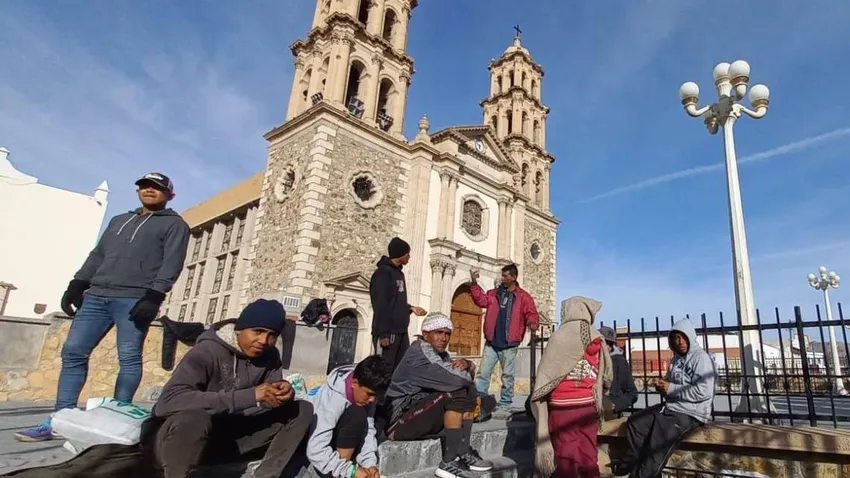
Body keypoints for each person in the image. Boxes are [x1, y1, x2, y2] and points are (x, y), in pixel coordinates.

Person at [15, 172, 190, 442]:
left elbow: (172, 262)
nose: (149, 190)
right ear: (138, 191)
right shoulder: (119, 221)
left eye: (156, 187)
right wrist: (77, 283)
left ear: (170, 195)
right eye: (144, 186)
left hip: (135, 298)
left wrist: (155, 295)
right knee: (73, 352)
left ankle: (115, 421)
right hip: (96, 296)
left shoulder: (175, 225)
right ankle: (60, 419)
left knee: (128, 357)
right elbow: (97, 254)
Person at [142, 299, 313, 478]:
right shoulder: (207, 351)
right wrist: (250, 395)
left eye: (272, 335)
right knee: (195, 418)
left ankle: (266, 475)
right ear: (239, 330)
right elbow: (168, 402)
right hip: (176, 443)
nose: (263, 341)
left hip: (225, 439)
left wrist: (282, 394)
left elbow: (265, 403)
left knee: (302, 409)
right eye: (257, 331)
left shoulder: (270, 356)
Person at [385, 313, 493, 478]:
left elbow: (460, 378)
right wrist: (470, 366)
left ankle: (463, 452)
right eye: (438, 332)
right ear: (425, 334)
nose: (444, 338)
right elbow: (459, 379)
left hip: (418, 415)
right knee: (457, 391)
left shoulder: (440, 354)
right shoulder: (420, 353)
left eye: (447, 333)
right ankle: (449, 462)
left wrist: (466, 365)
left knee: (467, 391)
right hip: (398, 424)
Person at [610, 318, 716, 478]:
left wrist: (670, 388)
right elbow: (670, 384)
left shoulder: (700, 358)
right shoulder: (676, 360)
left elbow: (704, 391)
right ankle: (632, 463)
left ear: (690, 336)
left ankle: (642, 473)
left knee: (656, 447)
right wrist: (662, 386)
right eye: (676, 338)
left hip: (690, 413)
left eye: (683, 337)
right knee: (635, 424)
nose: (680, 342)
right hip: (671, 407)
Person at [530, 297, 613, 478]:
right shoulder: (596, 336)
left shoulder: (559, 336)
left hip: (563, 408)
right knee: (588, 455)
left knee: (566, 459)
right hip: (588, 407)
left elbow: (546, 372)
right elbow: (607, 373)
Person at [303, 356, 393, 478]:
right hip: (310, 442)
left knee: (378, 416)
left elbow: (368, 430)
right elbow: (315, 450)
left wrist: (369, 464)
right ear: (354, 383)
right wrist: (350, 471)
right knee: (357, 414)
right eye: (369, 394)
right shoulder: (332, 400)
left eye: (376, 396)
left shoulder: (367, 395)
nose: (372, 400)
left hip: (335, 438)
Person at [469, 264, 540, 419]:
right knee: (483, 374)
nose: (502, 278)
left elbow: (531, 313)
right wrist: (474, 283)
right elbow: (481, 300)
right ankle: (478, 403)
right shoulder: (493, 294)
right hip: (492, 342)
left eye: (505, 276)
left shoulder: (523, 297)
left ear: (514, 277)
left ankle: (505, 404)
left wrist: (533, 323)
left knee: (507, 376)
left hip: (509, 344)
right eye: (502, 275)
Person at [369, 237, 427, 372]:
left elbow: (396, 301)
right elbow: (381, 304)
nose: (409, 257)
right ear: (400, 254)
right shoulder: (383, 274)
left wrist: (411, 308)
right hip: (389, 332)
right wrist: (383, 333)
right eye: (407, 254)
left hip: (401, 330)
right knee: (385, 369)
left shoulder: (399, 274)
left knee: (400, 369)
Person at [598, 326, 638, 419]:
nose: (606, 346)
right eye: (603, 342)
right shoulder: (590, 360)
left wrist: (616, 405)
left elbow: (632, 393)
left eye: (610, 343)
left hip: (611, 413)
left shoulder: (620, 362)